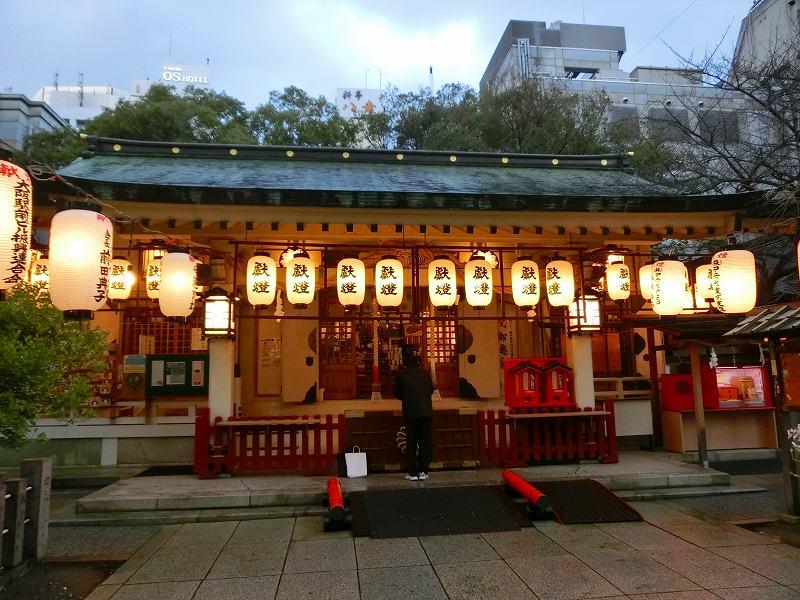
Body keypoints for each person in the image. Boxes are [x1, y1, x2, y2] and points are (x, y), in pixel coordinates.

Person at [395, 354, 434, 481]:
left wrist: (407, 397)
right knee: (425, 442)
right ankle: (424, 471)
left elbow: (397, 394)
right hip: (425, 411)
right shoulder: (425, 374)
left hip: (410, 412)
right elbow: (431, 390)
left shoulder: (402, 375)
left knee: (411, 442)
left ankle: (412, 472)